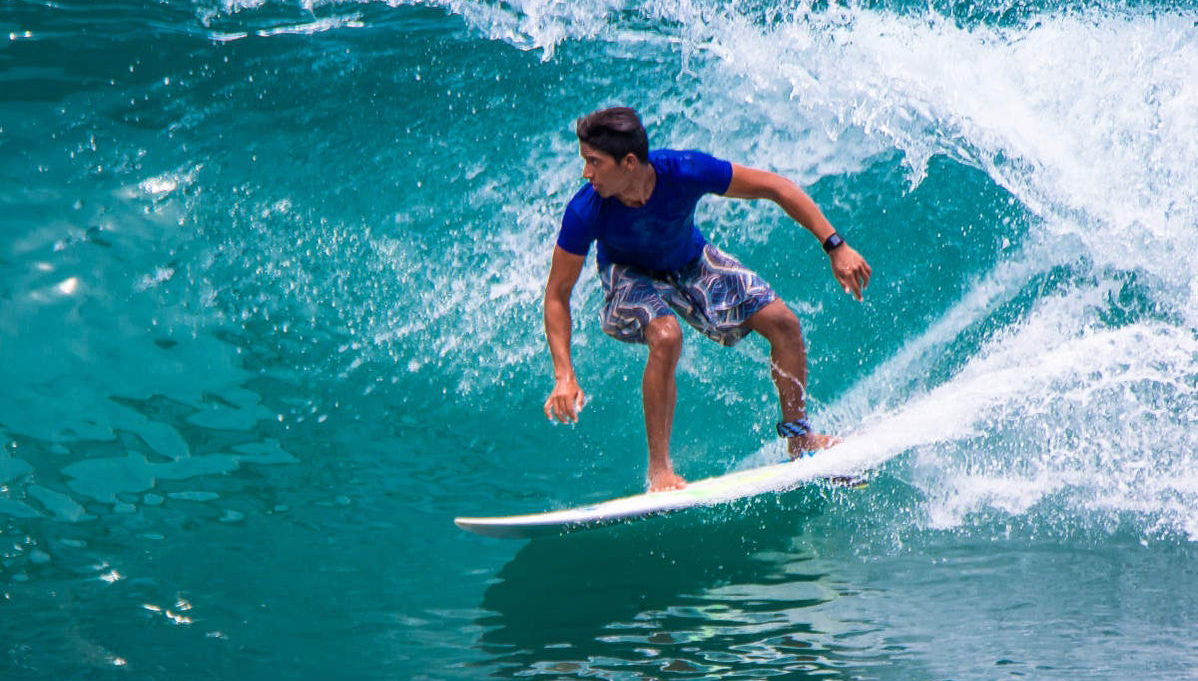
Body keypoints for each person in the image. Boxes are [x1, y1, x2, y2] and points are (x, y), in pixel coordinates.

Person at [542, 107, 871, 492]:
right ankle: (660, 471)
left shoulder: (683, 170)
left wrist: (835, 245)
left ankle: (800, 439)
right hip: (627, 275)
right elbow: (557, 295)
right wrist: (564, 374)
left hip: (689, 260)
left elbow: (776, 187)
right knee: (666, 336)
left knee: (783, 323)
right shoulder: (585, 210)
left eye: (594, 162)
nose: (586, 173)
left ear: (629, 163)